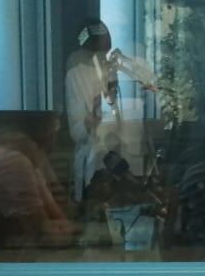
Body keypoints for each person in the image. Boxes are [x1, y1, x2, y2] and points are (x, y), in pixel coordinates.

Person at [64, 17, 157, 201]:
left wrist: (124, 63)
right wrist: (91, 120)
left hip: (127, 160)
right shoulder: (76, 75)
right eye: (96, 53)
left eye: (103, 54)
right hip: (97, 163)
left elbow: (151, 82)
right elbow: (77, 132)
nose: (101, 59)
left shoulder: (115, 67)